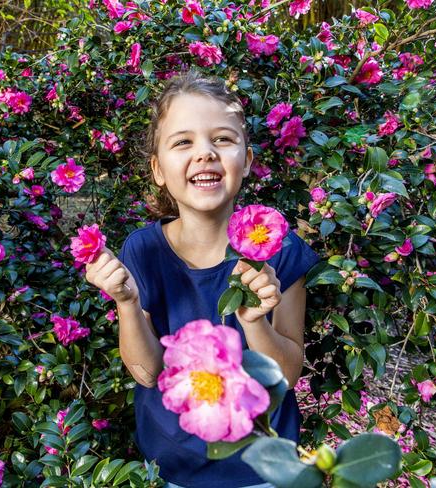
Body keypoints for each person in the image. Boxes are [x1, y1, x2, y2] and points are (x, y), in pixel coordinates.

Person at [84, 70, 320, 488]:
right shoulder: (143, 250)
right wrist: (126, 302)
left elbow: (287, 377)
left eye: (223, 139)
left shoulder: (281, 250)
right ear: (158, 169)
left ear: (246, 161)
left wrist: (253, 321)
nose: (206, 153)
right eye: (183, 142)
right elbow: (146, 372)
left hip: (264, 470)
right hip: (171, 469)